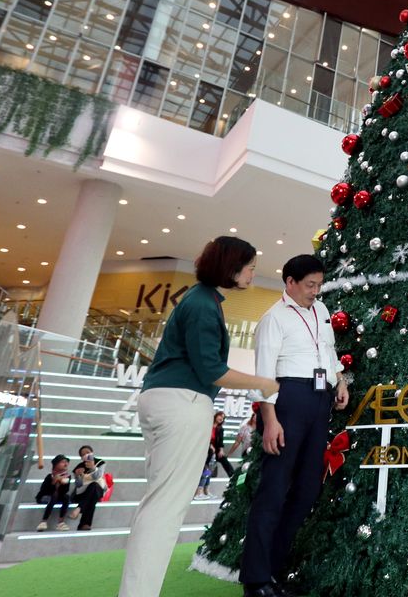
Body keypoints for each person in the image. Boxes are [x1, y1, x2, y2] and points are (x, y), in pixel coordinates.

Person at [119, 237, 279, 597]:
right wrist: (263, 383)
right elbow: (212, 370)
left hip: (162, 399)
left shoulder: (199, 299)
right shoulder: (204, 305)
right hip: (183, 403)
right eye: (250, 266)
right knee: (165, 510)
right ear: (232, 267)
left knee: (157, 504)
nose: (254, 272)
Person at [240, 255, 349, 597]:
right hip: (287, 400)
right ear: (290, 282)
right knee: (274, 489)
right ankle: (255, 581)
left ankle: (273, 571)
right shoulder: (274, 318)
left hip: (320, 400)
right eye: (309, 285)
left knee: (306, 490)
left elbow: (328, 353)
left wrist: (340, 380)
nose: (315, 291)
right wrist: (269, 419)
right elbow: (264, 375)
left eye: (319, 285)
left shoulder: (322, 310)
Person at [68, 445, 106, 529]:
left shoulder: (100, 462)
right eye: (83, 454)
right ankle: (85, 524)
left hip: (98, 489)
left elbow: (97, 477)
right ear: (81, 457)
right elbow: (78, 485)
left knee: (94, 485)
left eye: (88, 452)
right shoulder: (79, 467)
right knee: (92, 497)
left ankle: (79, 508)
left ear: (92, 453)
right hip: (83, 493)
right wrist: (78, 476)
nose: (86, 455)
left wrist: (93, 467)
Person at [35, 454, 71, 532]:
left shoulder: (67, 477)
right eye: (62, 462)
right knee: (53, 496)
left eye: (66, 462)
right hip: (46, 496)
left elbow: (65, 491)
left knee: (66, 497)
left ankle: (61, 522)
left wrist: (62, 484)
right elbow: (44, 490)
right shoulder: (50, 476)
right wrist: (54, 482)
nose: (65, 464)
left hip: (58, 497)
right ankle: (44, 521)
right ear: (56, 464)